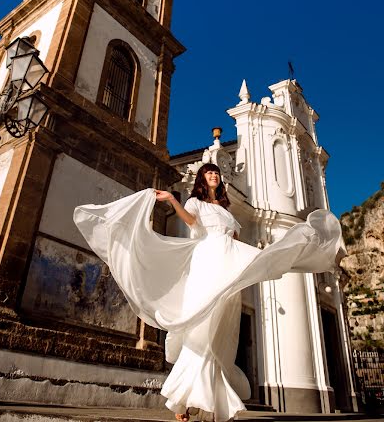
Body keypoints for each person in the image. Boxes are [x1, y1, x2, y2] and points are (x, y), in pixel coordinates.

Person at [73, 163, 344, 422]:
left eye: (216, 172)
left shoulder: (226, 210)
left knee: (222, 332)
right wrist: (171, 199)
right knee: (202, 329)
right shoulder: (195, 203)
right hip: (208, 260)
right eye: (209, 172)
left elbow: (235, 237)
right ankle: (184, 398)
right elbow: (192, 223)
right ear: (202, 180)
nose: (213, 175)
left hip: (229, 260)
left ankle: (209, 402)